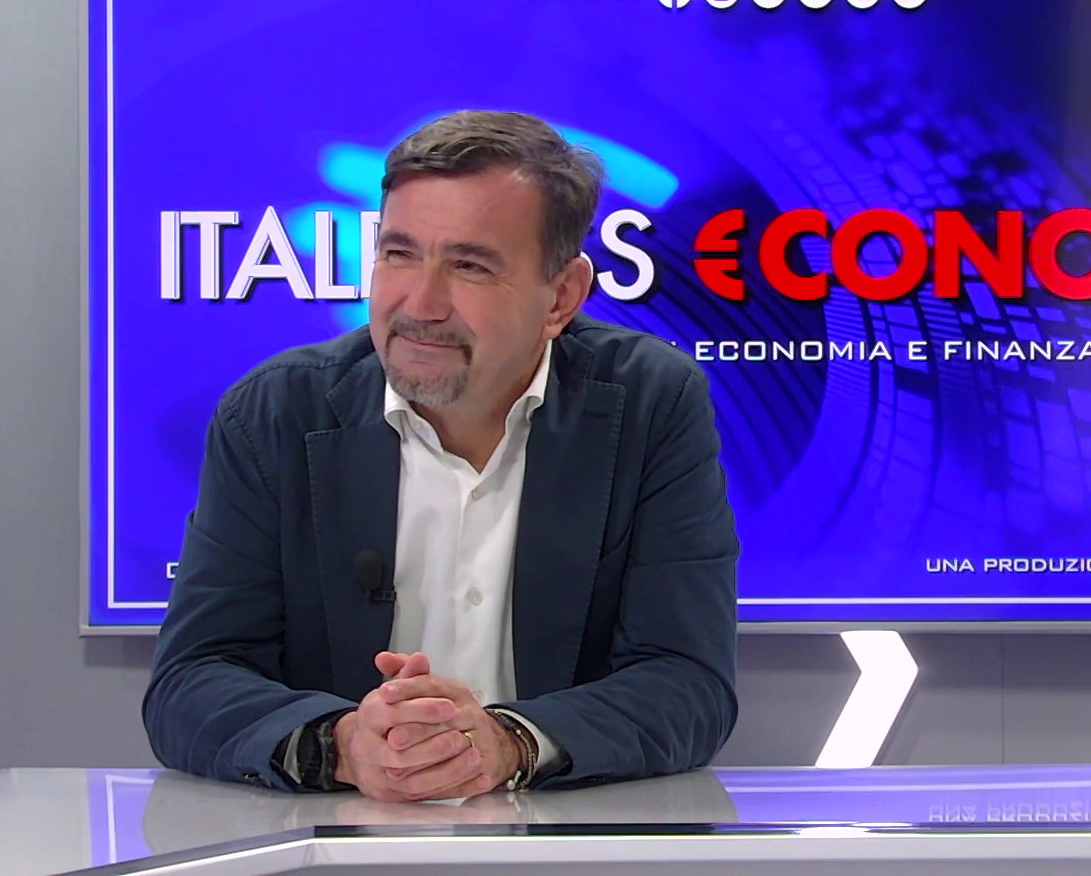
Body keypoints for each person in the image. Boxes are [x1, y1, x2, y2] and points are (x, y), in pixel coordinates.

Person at [143, 111, 739, 800]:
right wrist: (342, 745)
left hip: (558, 834)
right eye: (398, 254)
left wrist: (510, 743)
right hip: (332, 837)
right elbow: (191, 682)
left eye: (469, 266)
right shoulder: (275, 415)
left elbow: (686, 682)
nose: (420, 304)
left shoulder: (649, 404)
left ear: (561, 297)